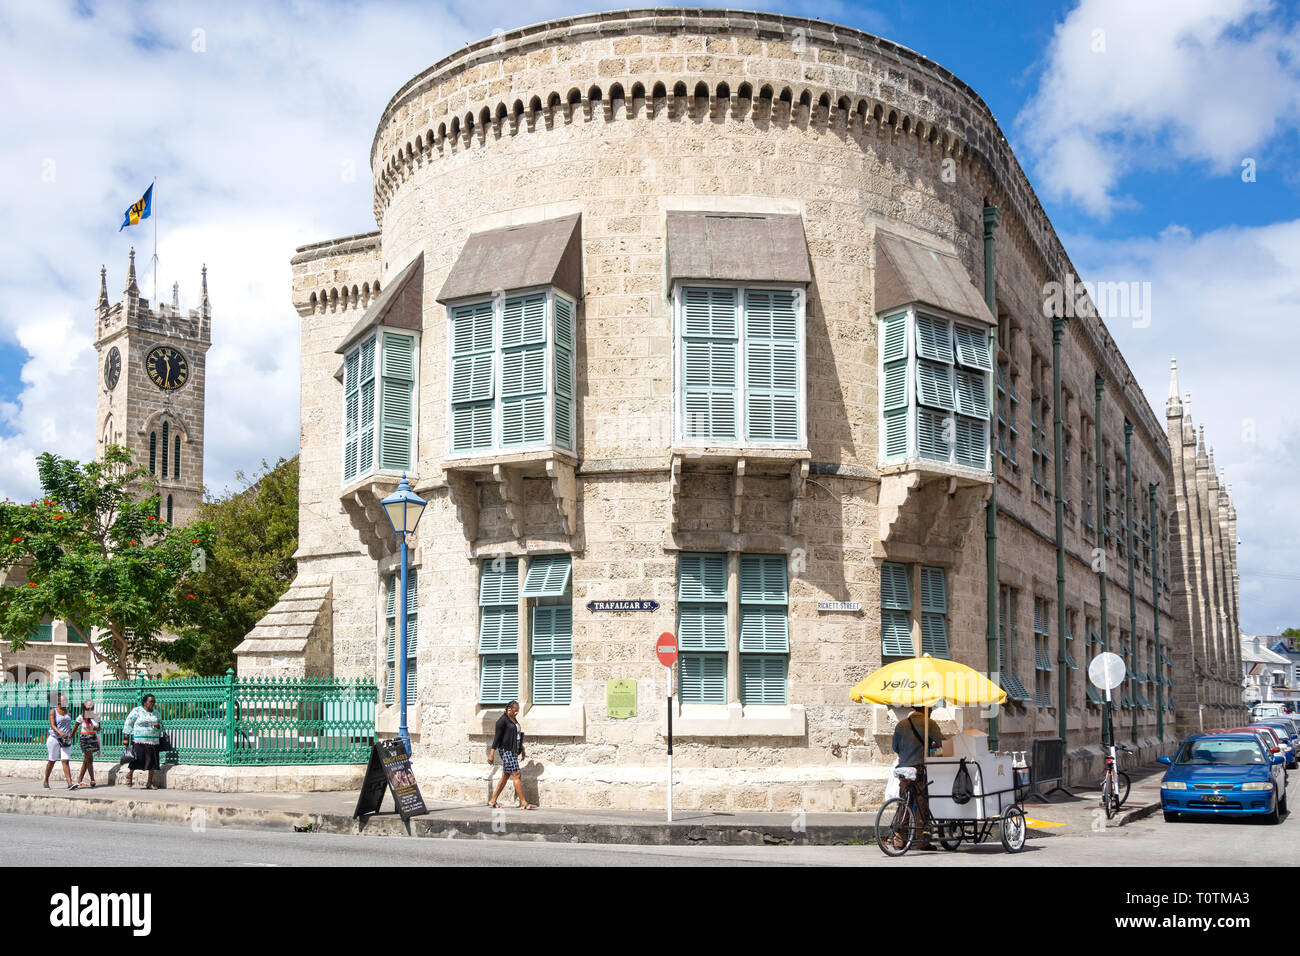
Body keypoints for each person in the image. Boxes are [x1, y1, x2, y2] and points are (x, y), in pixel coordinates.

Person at [889, 705, 944, 849]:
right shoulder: (929, 723)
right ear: (927, 710)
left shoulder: (901, 724)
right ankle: (921, 840)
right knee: (921, 803)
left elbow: (894, 747)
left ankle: (899, 838)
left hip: (904, 769)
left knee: (904, 803)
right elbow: (941, 744)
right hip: (918, 768)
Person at [487, 700, 536, 809]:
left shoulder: (512, 718)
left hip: (513, 749)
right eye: (515, 711)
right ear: (509, 709)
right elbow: (497, 738)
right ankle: (523, 803)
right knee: (517, 774)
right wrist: (491, 754)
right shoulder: (502, 721)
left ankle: (492, 800)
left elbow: (516, 735)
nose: (516, 713)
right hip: (506, 750)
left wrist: (522, 748)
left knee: (506, 776)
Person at [123, 693, 164, 789]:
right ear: (145, 702)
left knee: (153, 762)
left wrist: (158, 726)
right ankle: (130, 774)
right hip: (139, 740)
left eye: (154, 702)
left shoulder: (156, 713)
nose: (152, 703)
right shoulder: (137, 711)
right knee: (137, 759)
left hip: (153, 740)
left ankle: (149, 782)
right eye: (150, 701)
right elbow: (128, 723)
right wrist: (126, 737)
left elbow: (162, 726)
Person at [43, 695, 76, 790]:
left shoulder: (69, 712)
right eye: (64, 700)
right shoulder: (53, 711)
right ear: (58, 702)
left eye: (66, 700)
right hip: (54, 738)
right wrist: (60, 733)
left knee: (65, 760)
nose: (66, 702)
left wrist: (70, 734)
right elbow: (52, 725)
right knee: (52, 760)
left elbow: (69, 725)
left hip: (66, 739)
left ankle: (69, 783)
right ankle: (46, 780)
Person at [75, 701, 101, 788]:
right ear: (84, 707)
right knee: (90, 759)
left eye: (92, 706)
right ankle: (92, 779)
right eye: (88, 706)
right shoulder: (81, 717)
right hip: (85, 739)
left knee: (86, 760)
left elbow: (99, 728)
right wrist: (70, 737)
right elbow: (75, 728)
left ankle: (79, 780)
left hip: (93, 738)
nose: (90, 708)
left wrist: (96, 728)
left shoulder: (96, 716)